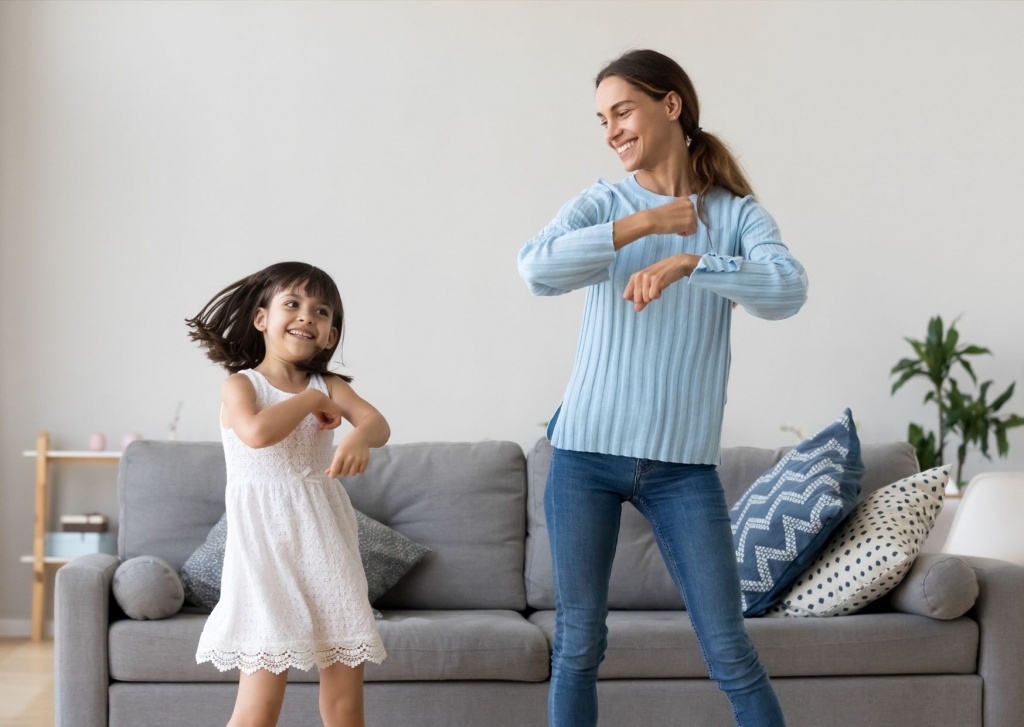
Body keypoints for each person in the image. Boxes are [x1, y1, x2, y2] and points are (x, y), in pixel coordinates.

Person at [517, 49, 808, 727]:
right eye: (602, 120)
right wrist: (645, 223)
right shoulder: (605, 202)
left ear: (670, 105)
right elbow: (535, 269)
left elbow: (788, 290)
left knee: (730, 650)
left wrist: (693, 262)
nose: (612, 130)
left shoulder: (736, 216)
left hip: (683, 468)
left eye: (622, 111)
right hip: (584, 457)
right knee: (578, 646)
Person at [185, 261, 389, 727]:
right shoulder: (242, 384)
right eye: (293, 304)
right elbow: (257, 434)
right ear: (262, 318)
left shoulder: (329, 384)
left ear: (330, 336)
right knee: (259, 705)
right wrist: (313, 401)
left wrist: (359, 437)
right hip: (264, 554)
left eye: (321, 311)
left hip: (326, 545)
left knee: (345, 700)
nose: (306, 316)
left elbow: (378, 423)